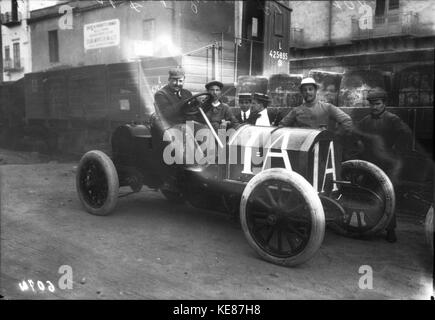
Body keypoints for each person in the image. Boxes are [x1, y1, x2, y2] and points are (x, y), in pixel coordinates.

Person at [355, 88, 413, 243]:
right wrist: (360, 145)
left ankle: (390, 229)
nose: (375, 107)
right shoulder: (365, 121)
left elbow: (406, 134)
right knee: (368, 195)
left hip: (387, 165)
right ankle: (369, 227)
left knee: (388, 196)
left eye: (378, 104)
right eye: (372, 104)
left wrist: (396, 150)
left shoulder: (392, 119)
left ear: (384, 104)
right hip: (369, 164)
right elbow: (356, 135)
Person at [279, 77, 353, 135]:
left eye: (310, 89)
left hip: (324, 147)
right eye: (304, 90)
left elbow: (347, 121)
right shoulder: (296, 111)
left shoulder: (327, 108)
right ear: (302, 93)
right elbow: (281, 126)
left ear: (315, 91)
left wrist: (334, 135)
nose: (307, 92)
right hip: (304, 148)